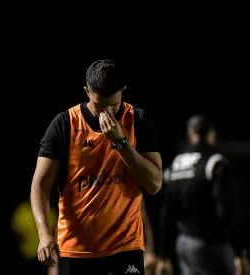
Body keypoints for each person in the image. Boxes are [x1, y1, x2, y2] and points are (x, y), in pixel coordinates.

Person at [30, 59, 162, 275]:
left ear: (123, 90)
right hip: (76, 250)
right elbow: (40, 186)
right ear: (87, 91)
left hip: (125, 247)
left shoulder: (138, 119)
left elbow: (155, 184)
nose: (108, 113)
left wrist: (120, 143)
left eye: (114, 105)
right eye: (102, 106)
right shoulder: (64, 124)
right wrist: (44, 234)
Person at [156, 115, 246, 275]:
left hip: (184, 244)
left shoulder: (175, 167)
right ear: (211, 135)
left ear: (190, 136)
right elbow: (226, 210)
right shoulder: (215, 164)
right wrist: (239, 253)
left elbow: (167, 214)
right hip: (212, 245)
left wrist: (164, 255)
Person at [11, 198, 58, 275]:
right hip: (28, 253)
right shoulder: (21, 211)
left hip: (45, 252)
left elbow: (54, 230)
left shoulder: (48, 210)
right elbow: (15, 230)